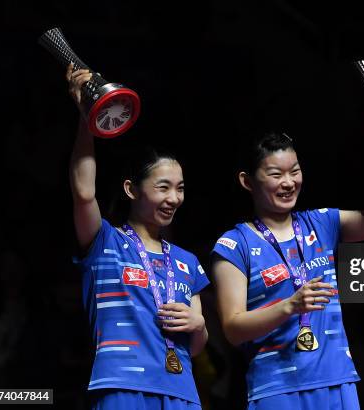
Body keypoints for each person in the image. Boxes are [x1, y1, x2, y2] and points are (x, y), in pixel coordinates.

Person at [211, 107, 364, 409]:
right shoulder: (233, 245)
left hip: (337, 380)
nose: (289, 182)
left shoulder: (322, 223)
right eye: (276, 174)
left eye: (295, 170)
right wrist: (290, 306)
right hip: (276, 389)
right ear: (247, 181)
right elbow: (233, 329)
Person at [67, 64, 209, 409]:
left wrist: (199, 324)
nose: (174, 198)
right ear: (132, 189)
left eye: (180, 189)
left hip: (180, 392)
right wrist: (87, 122)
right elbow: (84, 193)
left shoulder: (187, 262)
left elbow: (198, 342)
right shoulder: (106, 243)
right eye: (163, 187)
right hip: (122, 386)